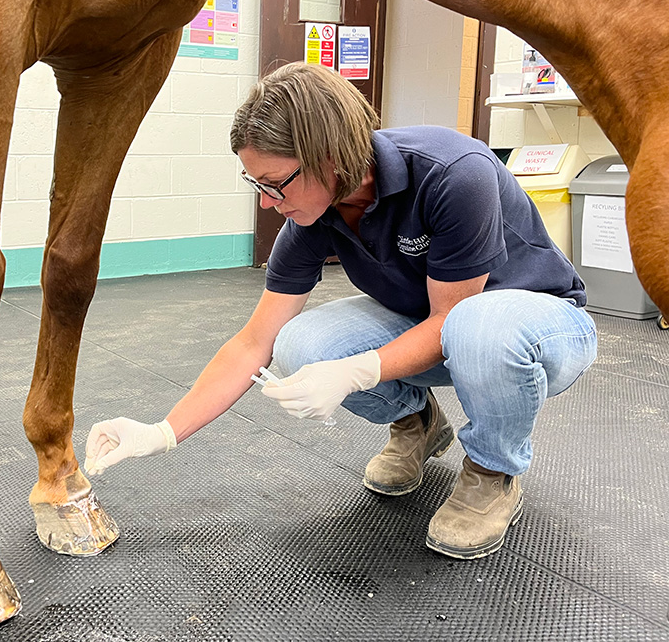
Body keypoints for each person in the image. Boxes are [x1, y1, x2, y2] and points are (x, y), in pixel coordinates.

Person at [84, 62, 597, 560]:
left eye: (274, 182)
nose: (266, 202)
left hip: (537, 325)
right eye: (255, 183)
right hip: (438, 326)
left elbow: (452, 321)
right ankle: (417, 422)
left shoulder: (454, 174)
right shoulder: (312, 216)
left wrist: (356, 372)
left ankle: (492, 470)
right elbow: (254, 342)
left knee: (480, 327)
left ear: (329, 156)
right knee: (300, 344)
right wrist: (163, 432)